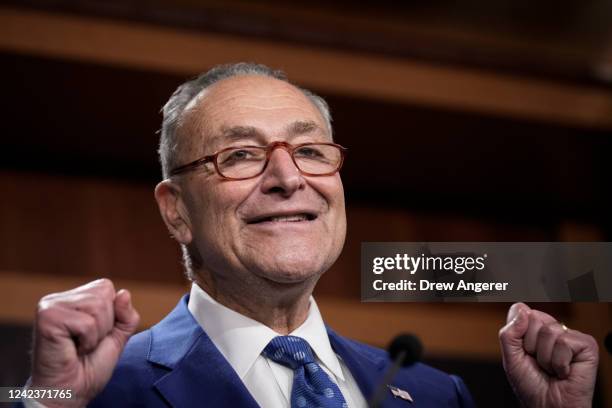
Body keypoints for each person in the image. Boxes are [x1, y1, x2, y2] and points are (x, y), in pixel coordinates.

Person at [25, 63, 599, 408]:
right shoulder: (85, 390)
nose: (287, 177)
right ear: (176, 211)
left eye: (309, 151)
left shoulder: (435, 395)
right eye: (242, 154)